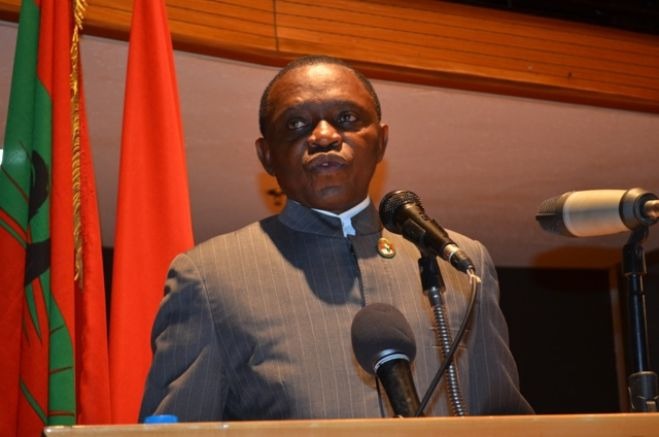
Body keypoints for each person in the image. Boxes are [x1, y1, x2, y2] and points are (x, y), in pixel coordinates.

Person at [139, 55, 533, 421]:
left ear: (381, 141)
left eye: (347, 118)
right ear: (266, 155)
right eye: (296, 124)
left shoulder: (459, 262)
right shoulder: (210, 278)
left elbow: (505, 420)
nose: (324, 136)